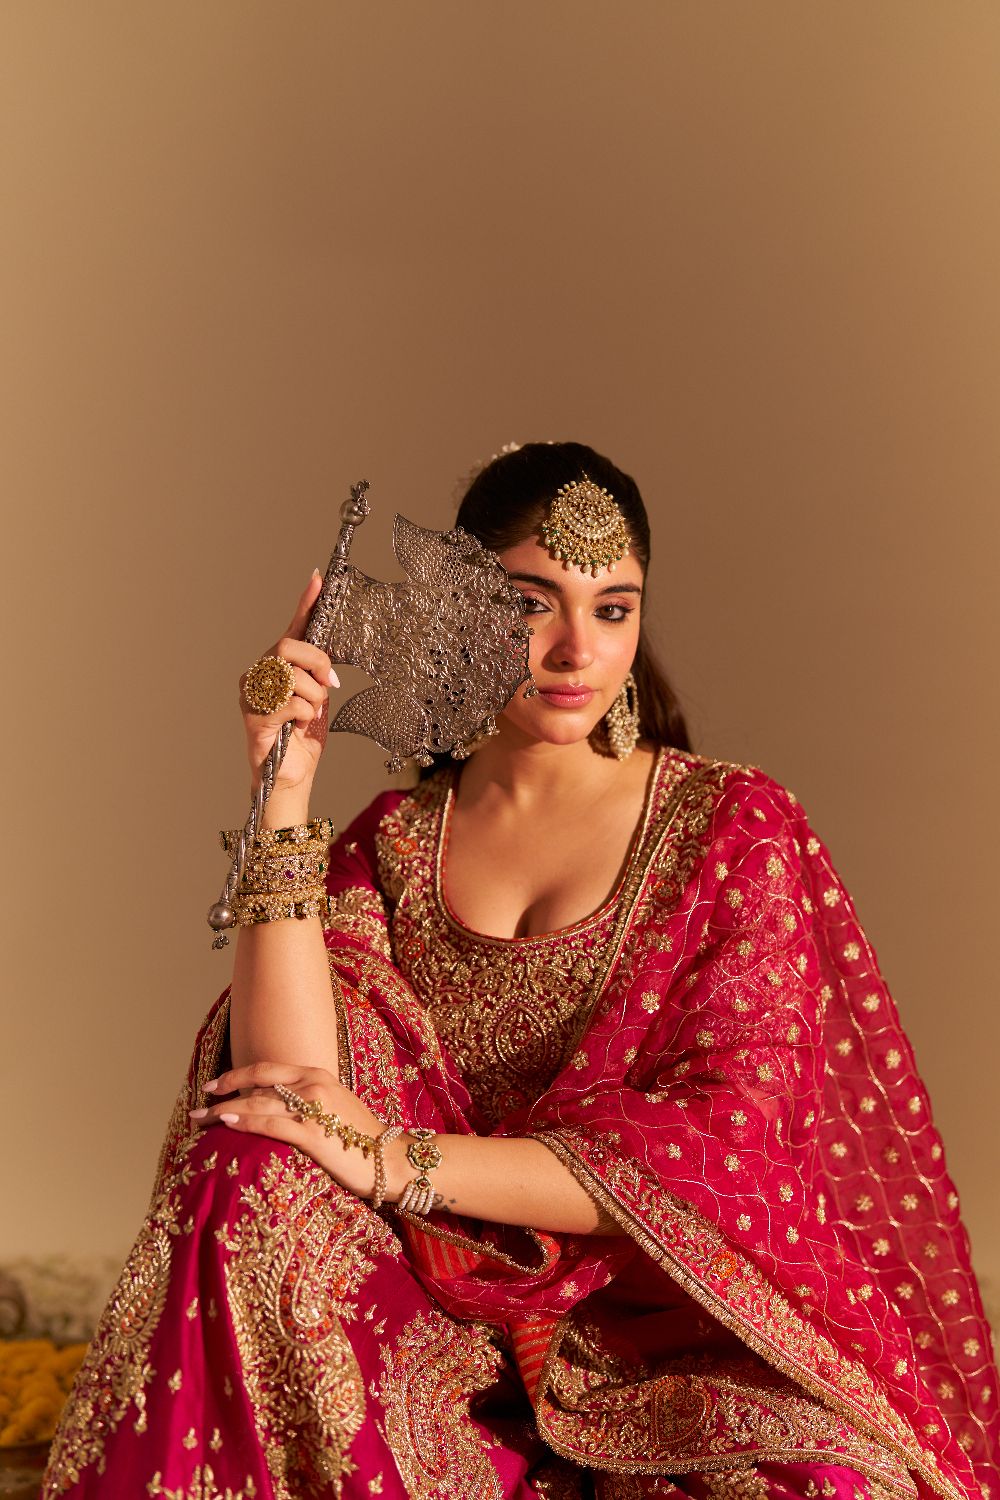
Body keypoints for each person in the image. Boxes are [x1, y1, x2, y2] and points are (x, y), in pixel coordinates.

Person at [43, 443, 998, 1500]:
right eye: (531, 605)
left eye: (613, 609)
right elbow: (291, 1095)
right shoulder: (395, 846)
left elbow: (724, 1145)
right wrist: (283, 784)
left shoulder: (730, 828)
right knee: (245, 1165)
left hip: (666, 1329)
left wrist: (394, 1158)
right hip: (434, 1314)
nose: (576, 649)